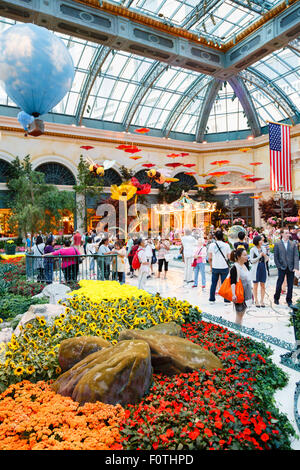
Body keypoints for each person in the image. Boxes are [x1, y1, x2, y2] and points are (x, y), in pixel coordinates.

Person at [274, 228, 299, 307]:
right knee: (279, 283)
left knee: (290, 285)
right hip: (282, 267)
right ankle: (276, 298)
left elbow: (296, 256)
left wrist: (296, 267)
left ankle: (289, 300)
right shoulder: (277, 244)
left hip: (291, 267)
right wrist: (278, 266)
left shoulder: (293, 244)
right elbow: (276, 257)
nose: (288, 234)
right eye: (286, 233)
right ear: (282, 234)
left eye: (288, 233)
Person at [230, 248, 253, 325]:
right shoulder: (235, 267)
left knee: (242, 314)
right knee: (239, 315)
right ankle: (237, 332)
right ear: (239, 256)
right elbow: (232, 282)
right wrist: (233, 295)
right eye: (245, 255)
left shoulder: (245, 265)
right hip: (240, 294)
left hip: (247, 293)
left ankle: (239, 330)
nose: (247, 257)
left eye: (247, 255)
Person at [208, 230, 231, 304]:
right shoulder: (226, 245)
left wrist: (211, 266)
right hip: (224, 267)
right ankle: (226, 300)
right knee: (225, 284)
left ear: (215, 237)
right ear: (223, 237)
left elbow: (210, 258)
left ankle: (212, 299)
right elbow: (229, 257)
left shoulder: (212, 245)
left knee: (213, 283)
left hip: (215, 266)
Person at [250, 235, 268, 308]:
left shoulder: (264, 248)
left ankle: (262, 300)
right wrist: (259, 256)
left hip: (263, 267)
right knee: (255, 285)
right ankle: (256, 300)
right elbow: (251, 260)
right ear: (257, 241)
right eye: (260, 240)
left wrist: (265, 256)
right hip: (256, 268)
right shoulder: (252, 250)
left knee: (263, 284)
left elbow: (266, 259)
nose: (262, 241)